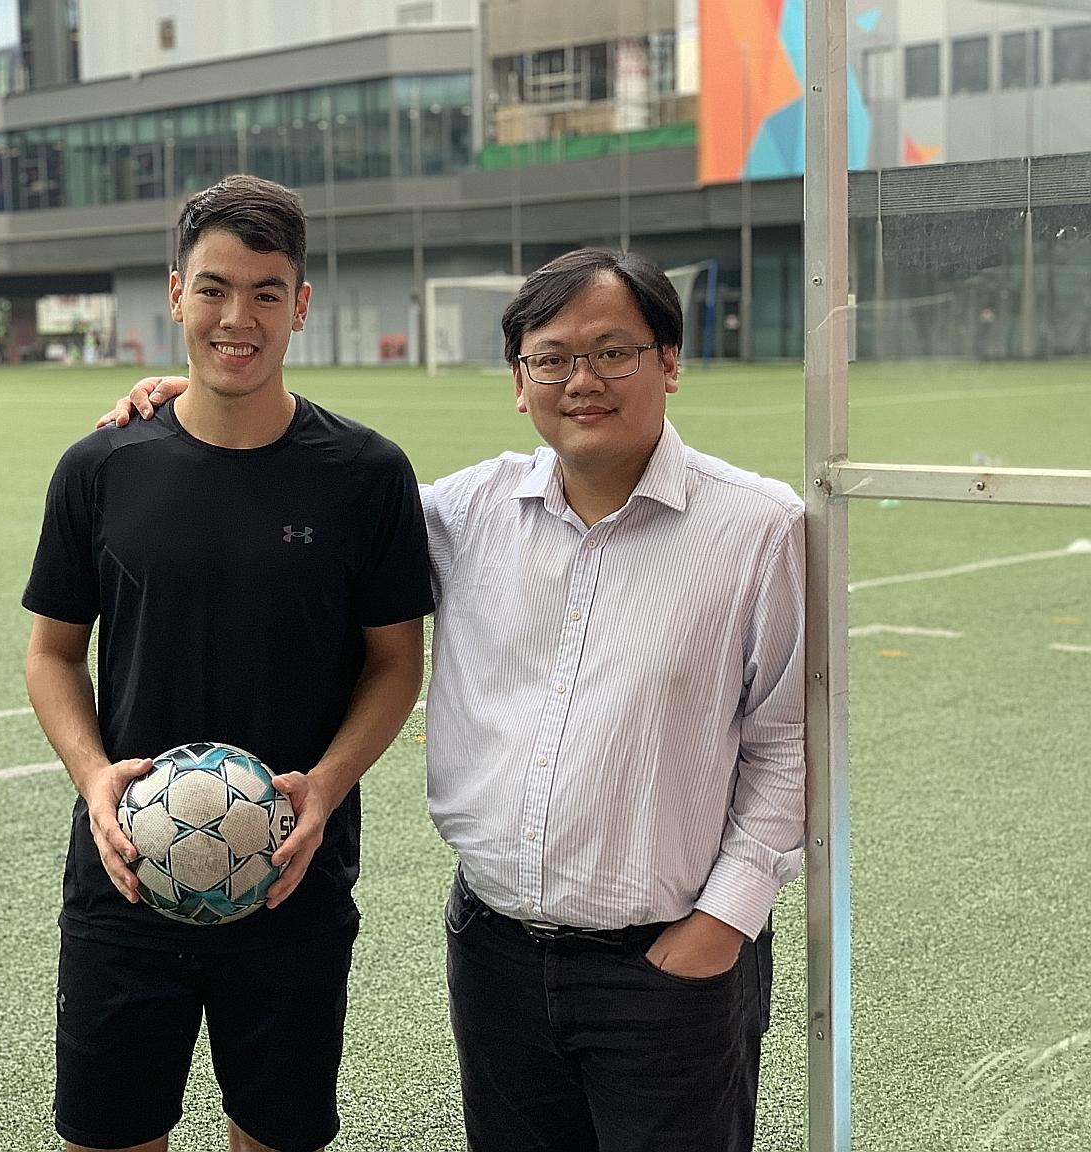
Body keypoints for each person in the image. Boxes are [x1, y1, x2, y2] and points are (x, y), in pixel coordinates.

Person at [99, 246, 806, 1152]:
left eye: (613, 352)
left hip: (669, 968)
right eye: (550, 358)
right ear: (520, 382)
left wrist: (720, 926)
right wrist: (208, 400)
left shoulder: (758, 529)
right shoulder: (464, 514)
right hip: (495, 955)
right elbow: (315, 515)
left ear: (670, 360)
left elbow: (786, 743)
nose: (580, 380)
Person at [24, 174, 432, 1152]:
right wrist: (93, 781)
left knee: (276, 1137)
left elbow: (396, 665)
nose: (234, 317)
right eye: (213, 289)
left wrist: (327, 787)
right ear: (176, 295)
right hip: (125, 875)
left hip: (293, 874)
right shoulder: (101, 467)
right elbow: (50, 652)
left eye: (263, 291)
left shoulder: (367, 475)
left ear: (300, 304)